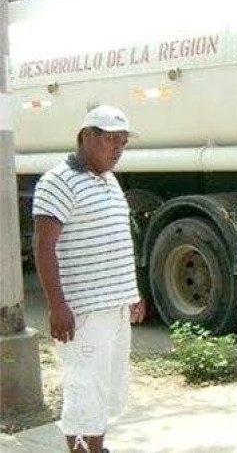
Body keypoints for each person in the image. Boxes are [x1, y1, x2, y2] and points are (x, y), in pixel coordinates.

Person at [32, 105, 146, 453]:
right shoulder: (57, 182)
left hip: (115, 307)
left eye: (123, 142)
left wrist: (132, 293)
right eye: (111, 140)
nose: (118, 149)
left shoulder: (108, 180)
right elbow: (44, 247)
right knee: (84, 394)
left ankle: (97, 448)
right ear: (86, 137)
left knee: (106, 391)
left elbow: (116, 241)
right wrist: (57, 306)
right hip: (83, 313)